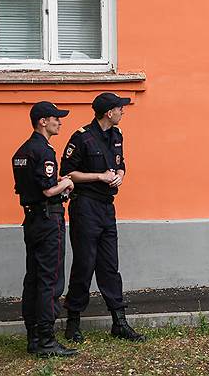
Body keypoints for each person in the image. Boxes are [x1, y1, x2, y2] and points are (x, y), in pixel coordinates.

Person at [61, 92, 146, 343]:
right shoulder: (82, 137)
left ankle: (119, 322)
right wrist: (98, 176)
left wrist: (120, 174)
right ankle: (73, 322)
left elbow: (121, 163)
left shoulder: (116, 136)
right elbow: (68, 174)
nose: (124, 112)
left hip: (107, 207)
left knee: (110, 265)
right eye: (121, 108)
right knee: (85, 263)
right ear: (109, 112)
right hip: (85, 206)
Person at [12, 101, 78, 357]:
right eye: (55, 118)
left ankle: (33, 337)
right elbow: (49, 190)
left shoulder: (22, 151)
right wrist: (67, 182)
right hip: (49, 219)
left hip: (31, 219)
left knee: (34, 279)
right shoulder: (44, 151)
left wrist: (56, 183)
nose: (59, 122)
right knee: (51, 280)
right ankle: (47, 341)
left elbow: (32, 185)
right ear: (43, 121)